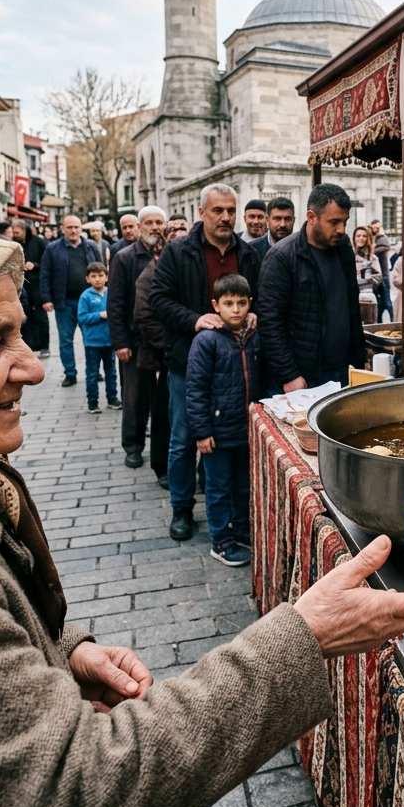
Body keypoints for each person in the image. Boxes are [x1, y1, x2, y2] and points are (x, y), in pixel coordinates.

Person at [0, 223, 404, 807]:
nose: (32, 369)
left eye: (22, 336)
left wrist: (58, 652)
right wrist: (304, 635)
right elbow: (83, 785)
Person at [150, 185, 261, 542]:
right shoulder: (179, 251)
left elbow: (256, 295)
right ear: (202, 213)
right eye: (218, 211)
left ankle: (230, 512)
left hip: (235, 365)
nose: (226, 217)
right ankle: (182, 507)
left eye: (231, 210)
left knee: (230, 442)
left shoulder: (247, 252)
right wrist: (195, 320)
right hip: (188, 362)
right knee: (183, 439)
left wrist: (254, 313)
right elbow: (159, 300)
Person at [259, 184, 365, 393]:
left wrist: (359, 358)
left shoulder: (343, 247)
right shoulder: (282, 257)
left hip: (343, 370)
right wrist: (289, 374)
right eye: (334, 222)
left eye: (344, 222)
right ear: (311, 217)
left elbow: (352, 306)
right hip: (302, 377)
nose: (342, 230)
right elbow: (269, 321)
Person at [186, 273, 261, 567]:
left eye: (241, 303)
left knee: (243, 485)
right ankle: (221, 540)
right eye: (228, 303)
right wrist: (202, 432)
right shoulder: (206, 341)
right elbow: (195, 390)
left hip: (246, 431)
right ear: (216, 305)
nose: (235, 309)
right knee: (218, 488)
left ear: (249, 304)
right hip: (217, 432)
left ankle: (241, 529)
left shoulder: (254, 336)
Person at [108, 206, 166, 470]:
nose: (155, 227)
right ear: (140, 226)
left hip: (162, 340)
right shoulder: (124, 257)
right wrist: (119, 342)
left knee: (160, 398)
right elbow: (116, 303)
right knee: (134, 397)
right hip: (133, 341)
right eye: (150, 223)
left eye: (159, 222)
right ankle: (133, 445)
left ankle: (160, 444)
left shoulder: (170, 252)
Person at [133, 216, 188, 490]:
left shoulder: (190, 266)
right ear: (166, 239)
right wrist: (167, 344)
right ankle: (161, 467)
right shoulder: (153, 270)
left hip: (188, 355)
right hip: (162, 357)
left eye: (183, 229)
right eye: (174, 230)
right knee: (164, 417)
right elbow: (144, 315)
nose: (179, 234)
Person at [40, 216, 103, 387]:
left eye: (76, 227)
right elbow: (45, 273)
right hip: (64, 302)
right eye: (70, 227)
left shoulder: (90, 246)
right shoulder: (53, 248)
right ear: (62, 228)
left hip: (89, 302)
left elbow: (101, 269)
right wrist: (46, 298)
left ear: (81, 228)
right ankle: (70, 373)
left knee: (91, 338)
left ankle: (94, 371)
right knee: (66, 340)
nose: (74, 230)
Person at [77, 262, 120, 414]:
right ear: (87, 279)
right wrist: (99, 315)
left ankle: (112, 398)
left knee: (111, 372)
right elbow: (82, 317)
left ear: (107, 277)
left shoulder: (111, 293)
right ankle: (92, 402)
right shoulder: (85, 296)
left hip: (109, 341)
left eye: (101, 276)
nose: (97, 279)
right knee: (92, 373)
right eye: (93, 276)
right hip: (92, 343)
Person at [12, 220, 51, 358]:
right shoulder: (15, 244)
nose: (15, 234)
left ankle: (45, 346)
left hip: (37, 284)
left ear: (24, 230)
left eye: (17, 232)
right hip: (22, 284)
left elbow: (47, 262)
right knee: (26, 316)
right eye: (14, 232)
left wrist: (35, 265)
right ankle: (31, 345)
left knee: (41, 316)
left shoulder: (38, 242)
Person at [249, 196, 294, 267]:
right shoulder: (252, 250)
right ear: (267, 220)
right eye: (277, 219)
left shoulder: (302, 250)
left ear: (294, 220)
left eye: (287, 219)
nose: (282, 224)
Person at [352, 225, 382, 325]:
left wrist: (365, 276)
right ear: (354, 238)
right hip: (351, 297)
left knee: (369, 329)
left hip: (367, 297)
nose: (361, 238)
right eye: (358, 236)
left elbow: (378, 278)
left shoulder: (372, 258)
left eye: (364, 236)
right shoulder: (348, 256)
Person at [370, 219, 393, 321]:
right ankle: (379, 320)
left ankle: (393, 320)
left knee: (387, 301)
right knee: (379, 301)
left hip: (383, 274)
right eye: (373, 227)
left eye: (377, 228)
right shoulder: (374, 239)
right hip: (377, 274)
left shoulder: (382, 238)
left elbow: (386, 246)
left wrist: (371, 251)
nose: (375, 229)